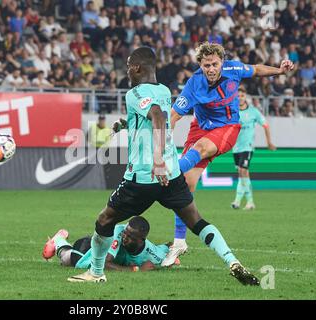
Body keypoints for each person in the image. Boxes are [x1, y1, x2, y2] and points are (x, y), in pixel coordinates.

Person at [67, 46, 259, 285]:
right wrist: (127, 125)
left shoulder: (134, 93)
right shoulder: (164, 91)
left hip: (144, 178)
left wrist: (157, 161)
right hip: (172, 174)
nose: (127, 70)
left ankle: (95, 273)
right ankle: (232, 261)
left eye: (128, 66)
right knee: (197, 222)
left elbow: (157, 117)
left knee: (104, 220)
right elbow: (155, 118)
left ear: (137, 68)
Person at [162, 42, 294, 267]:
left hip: (227, 128)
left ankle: (164, 173)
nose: (211, 69)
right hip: (201, 127)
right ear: (200, 65)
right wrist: (164, 143)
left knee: (197, 151)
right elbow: (174, 116)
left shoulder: (234, 69)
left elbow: (257, 69)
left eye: (214, 64)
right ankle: (179, 242)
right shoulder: (193, 84)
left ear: (222, 62)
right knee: (186, 185)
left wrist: (279, 70)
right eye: (206, 65)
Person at [43, 216, 179, 271]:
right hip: (88, 249)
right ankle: (59, 240)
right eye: (126, 232)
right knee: (68, 259)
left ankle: (60, 241)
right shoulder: (118, 231)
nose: (124, 237)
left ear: (141, 240)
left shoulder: (153, 254)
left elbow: (165, 248)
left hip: (99, 244)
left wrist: (172, 254)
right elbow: (105, 263)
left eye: (130, 236)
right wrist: (134, 270)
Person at [231, 85, 276, 210]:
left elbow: (265, 125)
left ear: (246, 97)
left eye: (242, 96)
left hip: (248, 147)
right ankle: (244, 201)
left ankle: (242, 201)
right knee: (242, 173)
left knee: (243, 171)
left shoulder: (253, 111)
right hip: (236, 148)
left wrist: (269, 142)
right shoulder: (233, 111)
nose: (240, 98)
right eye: (238, 96)